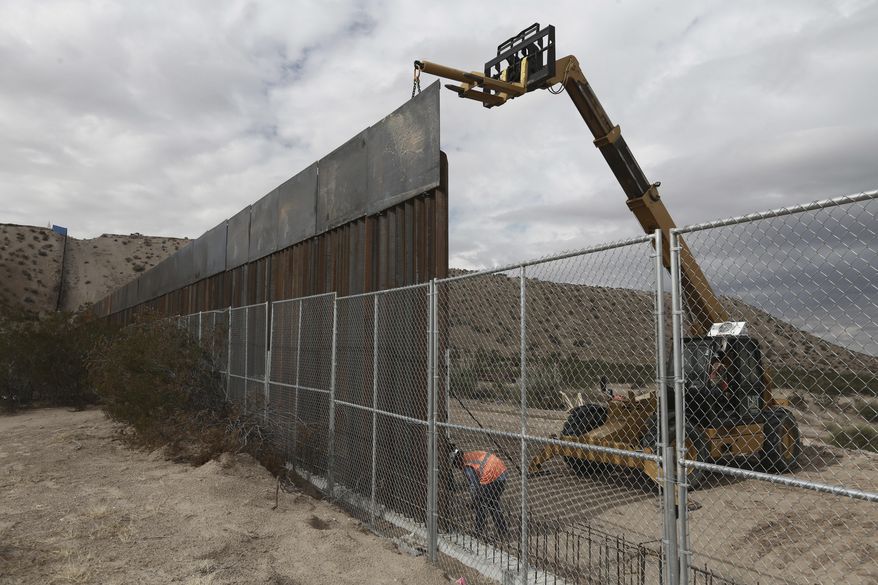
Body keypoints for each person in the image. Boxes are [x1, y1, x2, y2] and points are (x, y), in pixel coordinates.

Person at [450, 447, 509, 541]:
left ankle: (478, 531)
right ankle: (502, 530)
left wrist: (474, 501)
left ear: (457, 461)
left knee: (481, 504)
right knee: (493, 503)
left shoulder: (467, 465)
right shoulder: (469, 455)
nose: (456, 468)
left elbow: (474, 486)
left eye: (454, 465)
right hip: (502, 472)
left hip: (493, 476)